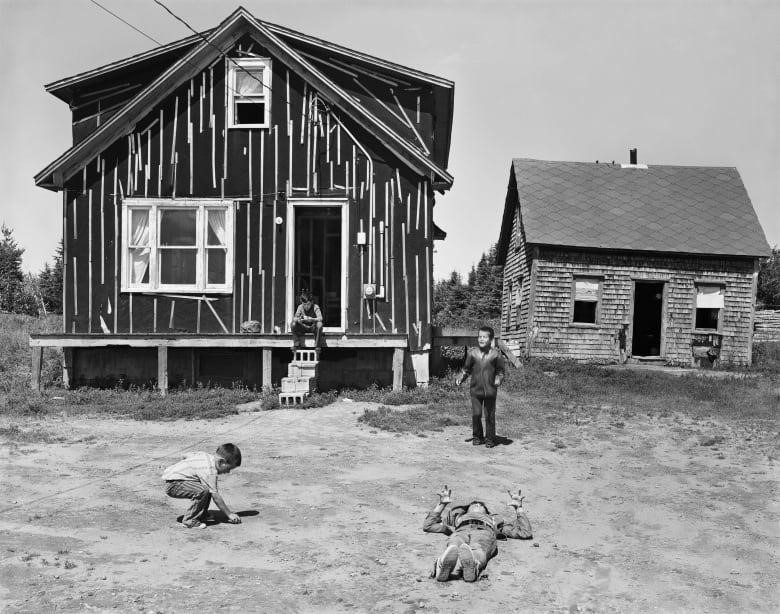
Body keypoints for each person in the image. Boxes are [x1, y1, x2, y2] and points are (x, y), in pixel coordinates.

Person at [423, 485, 532, 582]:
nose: (478, 504)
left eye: (481, 505)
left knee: (478, 548)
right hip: (461, 530)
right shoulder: (457, 519)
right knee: (454, 545)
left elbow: (525, 532)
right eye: (474, 504)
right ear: (466, 510)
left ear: (487, 512)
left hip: (485, 532)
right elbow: (428, 525)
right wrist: (441, 504)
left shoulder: (494, 521)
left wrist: (519, 508)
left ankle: (473, 566)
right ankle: (443, 566)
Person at [162, 443, 243, 529]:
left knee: (206, 487)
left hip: (174, 480)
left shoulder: (205, 455)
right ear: (221, 462)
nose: (228, 472)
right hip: (174, 485)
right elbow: (216, 497)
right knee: (203, 490)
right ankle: (189, 520)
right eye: (228, 468)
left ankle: (202, 514)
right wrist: (229, 514)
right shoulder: (210, 472)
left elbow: (186, 455)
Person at [455, 325, 505, 447]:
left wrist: (498, 379)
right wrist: (460, 378)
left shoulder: (496, 355)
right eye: (480, 337)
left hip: (490, 391)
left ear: (491, 339)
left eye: (484, 337)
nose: (481, 339)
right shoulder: (472, 354)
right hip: (475, 390)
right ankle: (477, 437)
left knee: (489, 416)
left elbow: (500, 372)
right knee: (476, 414)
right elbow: (466, 369)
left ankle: (490, 439)